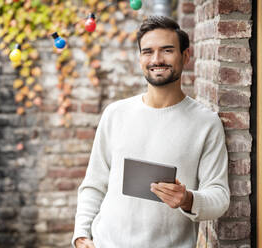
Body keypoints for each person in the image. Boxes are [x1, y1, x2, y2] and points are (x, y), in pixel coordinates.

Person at [72, 15, 230, 248]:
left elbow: (219, 196)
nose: (156, 59)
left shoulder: (206, 123)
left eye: (167, 50)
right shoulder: (115, 113)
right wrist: (81, 235)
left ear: (185, 56)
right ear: (140, 59)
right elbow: (94, 184)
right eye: (148, 51)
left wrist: (188, 199)